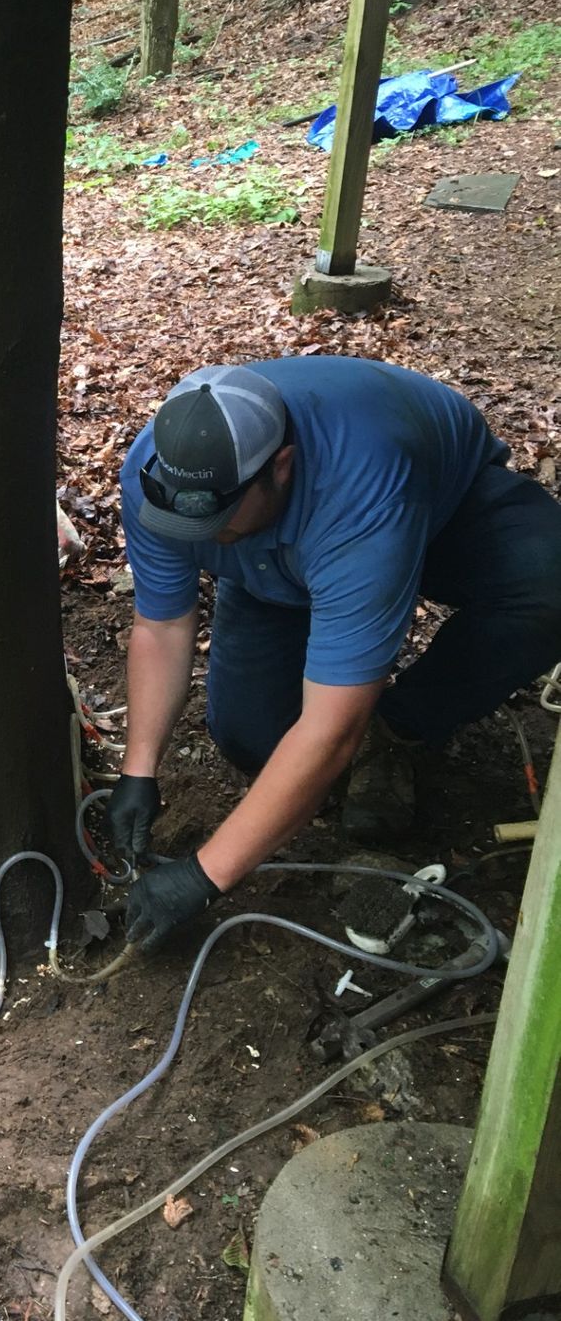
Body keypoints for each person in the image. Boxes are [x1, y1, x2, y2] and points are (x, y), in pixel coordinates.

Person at [109, 356, 561, 954]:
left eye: (216, 517)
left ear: (281, 467)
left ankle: (402, 728)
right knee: (252, 739)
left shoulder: (365, 492)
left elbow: (328, 732)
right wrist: (138, 768)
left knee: (548, 585)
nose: (200, 533)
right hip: (273, 561)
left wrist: (203, 875)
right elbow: (162, 626)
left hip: (438, 508)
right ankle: (300, 599)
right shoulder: (158, 479)